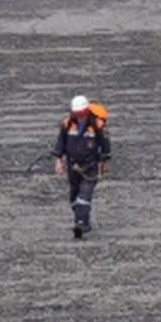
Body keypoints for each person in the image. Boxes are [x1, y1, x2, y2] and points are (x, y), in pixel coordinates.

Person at [52, 95, 111, 240]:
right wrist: (59, 160)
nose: (77, 115)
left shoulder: (97, 125)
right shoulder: (67, 124)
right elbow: (61, 142)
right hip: (73, 165)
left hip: (90, 166)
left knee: (84, 196)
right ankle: (82, 218)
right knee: (74, 196)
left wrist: (105, 162)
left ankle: (81, 223)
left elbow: (105, 144)